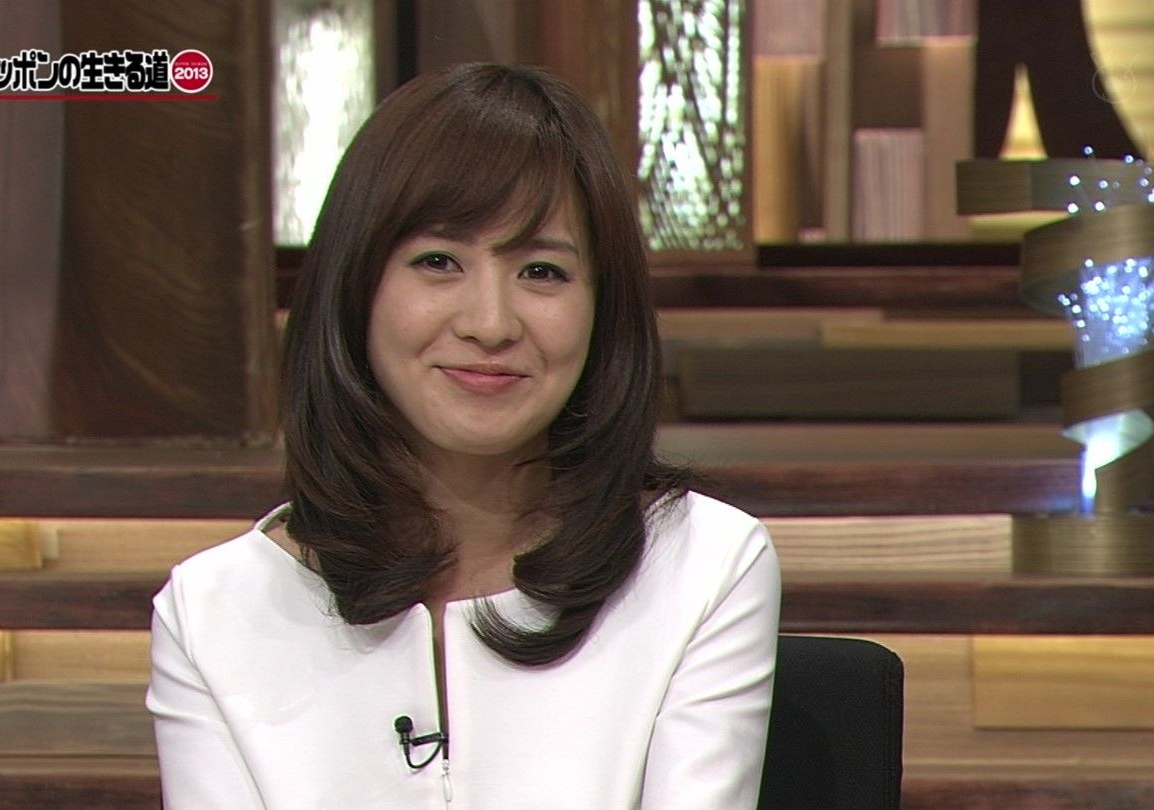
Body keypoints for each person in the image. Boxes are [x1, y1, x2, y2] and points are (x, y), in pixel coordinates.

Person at [146, 62, 781, 808]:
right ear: (356, 289)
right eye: (438, 262)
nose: (491, 323)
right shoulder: (212, 612)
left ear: (602, 311)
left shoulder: (703, 566)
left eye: (542, 271)